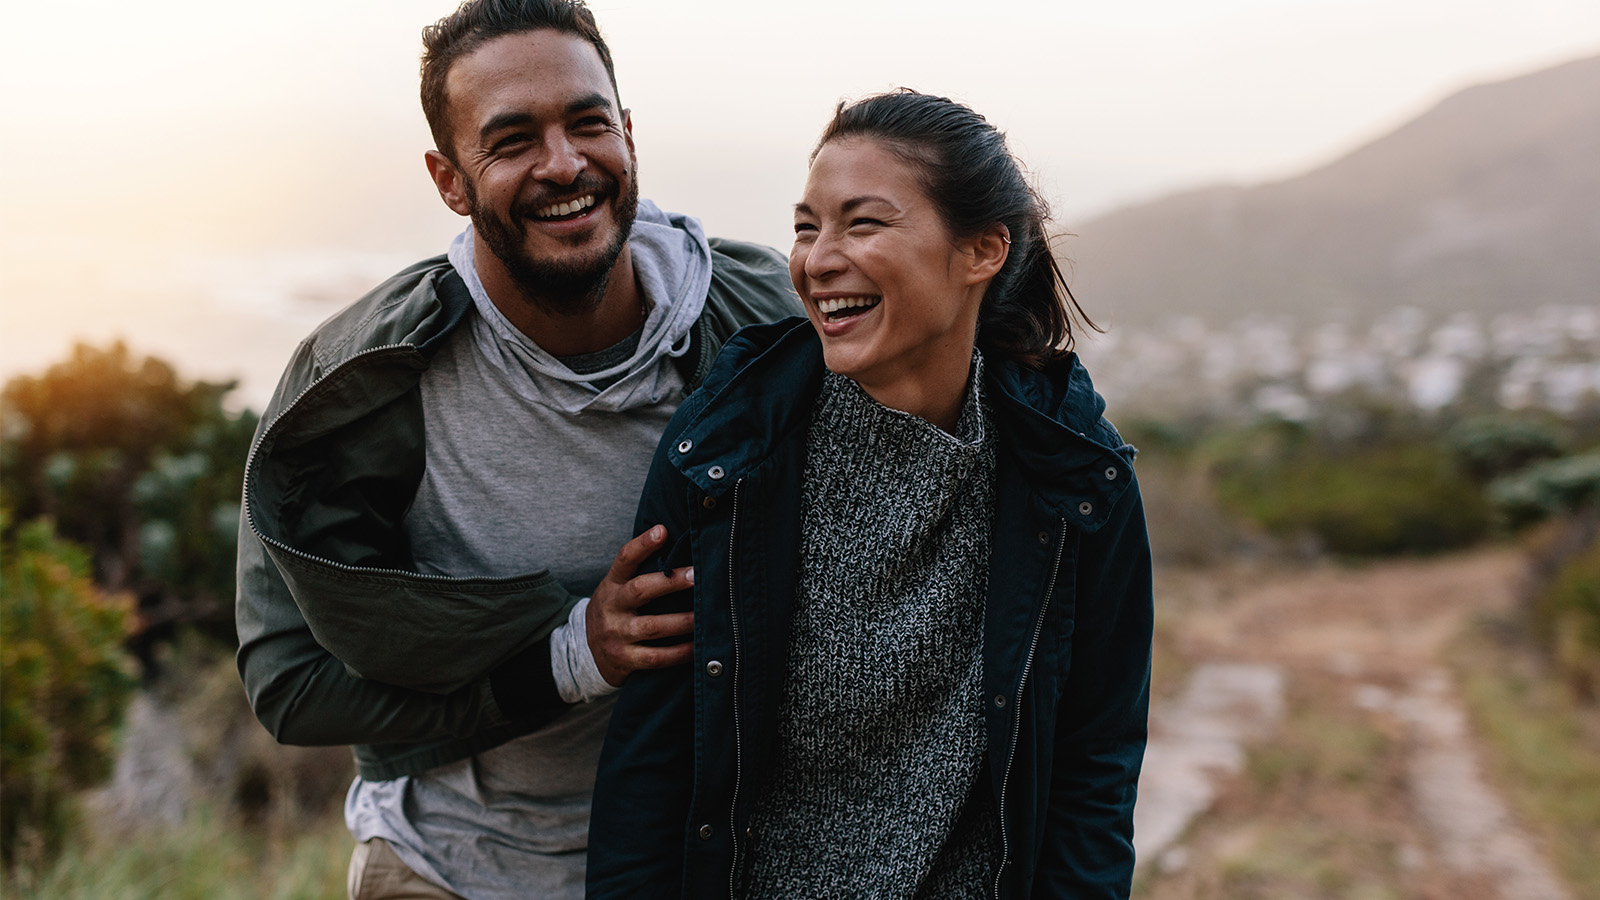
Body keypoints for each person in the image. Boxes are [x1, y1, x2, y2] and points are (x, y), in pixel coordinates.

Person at [232, 1, 797, 898]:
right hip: (451, 868)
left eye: (588, 122)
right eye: (511, 141)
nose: (565, 164)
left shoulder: (764, 319)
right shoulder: (357, 382)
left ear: (628, 134)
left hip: (715, 864)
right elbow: (290, 683)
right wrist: (571, 658)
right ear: (449, 179)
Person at [588, 90, 1153, 899]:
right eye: (807, 226)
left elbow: (1093, 771)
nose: (817, 259)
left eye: (863, 223)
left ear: (981, 251)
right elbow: (652, 769)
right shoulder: (724, 456)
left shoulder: (1077, 481)